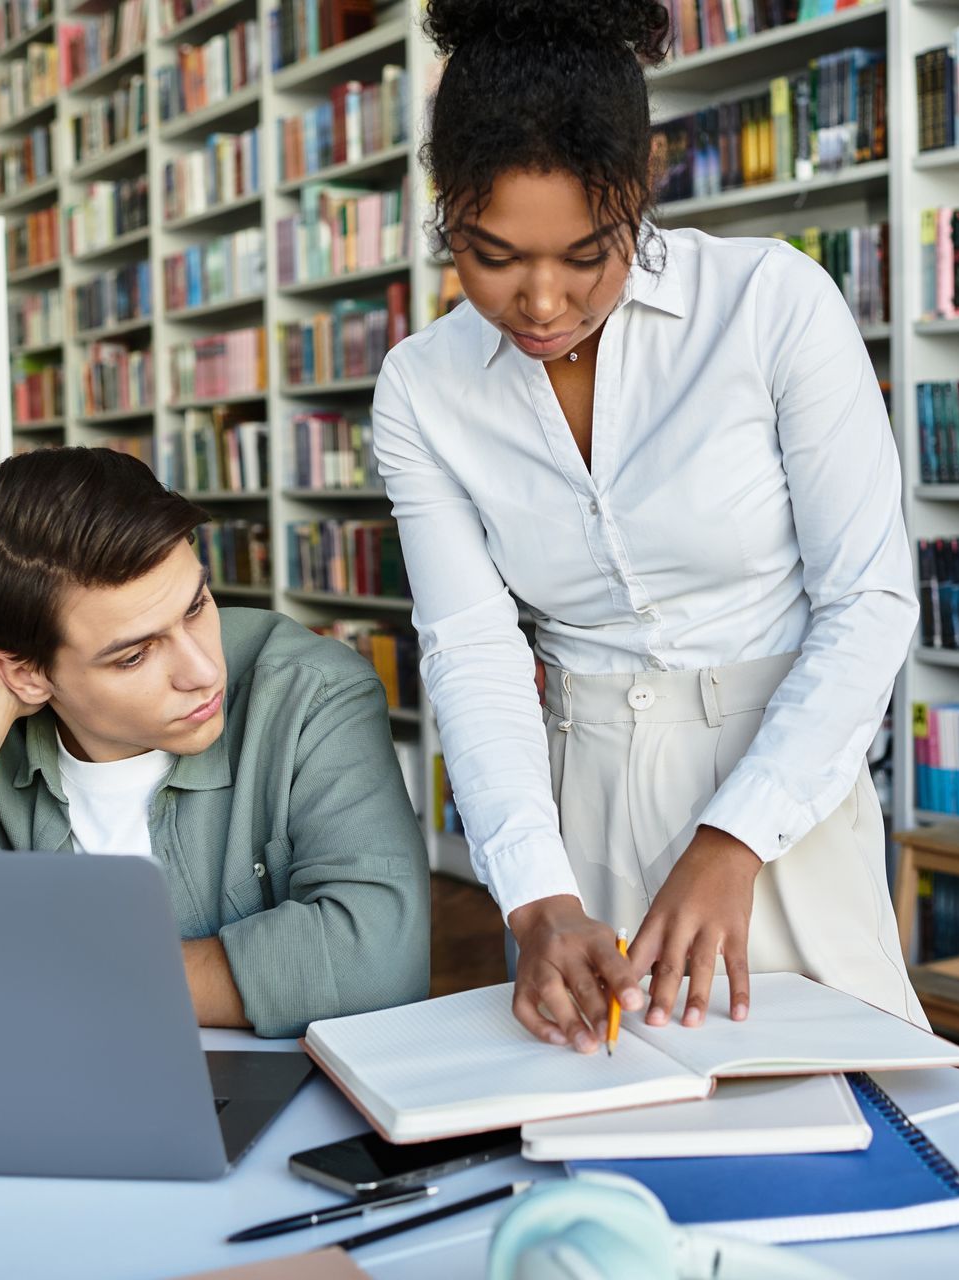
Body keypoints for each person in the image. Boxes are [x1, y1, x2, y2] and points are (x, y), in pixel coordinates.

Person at [372, 0, 926, 1055]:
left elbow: (867, 600)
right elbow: (475, 654)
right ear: (444, 210)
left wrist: (734, 838)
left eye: (589, 252)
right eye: (491, 255)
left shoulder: (772, 306)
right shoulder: (421, 389)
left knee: (844, 1117)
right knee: (598, 1140)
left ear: (644, 187)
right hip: (576, 810)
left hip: (784, 793)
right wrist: (536, 898)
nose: (541, 300)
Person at [0, 447, 430, 1038]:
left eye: (196, 606)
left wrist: (54, 976)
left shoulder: (308, 690)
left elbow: (378, 961)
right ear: (26, 674)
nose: (203, 670)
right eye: (134, 655)